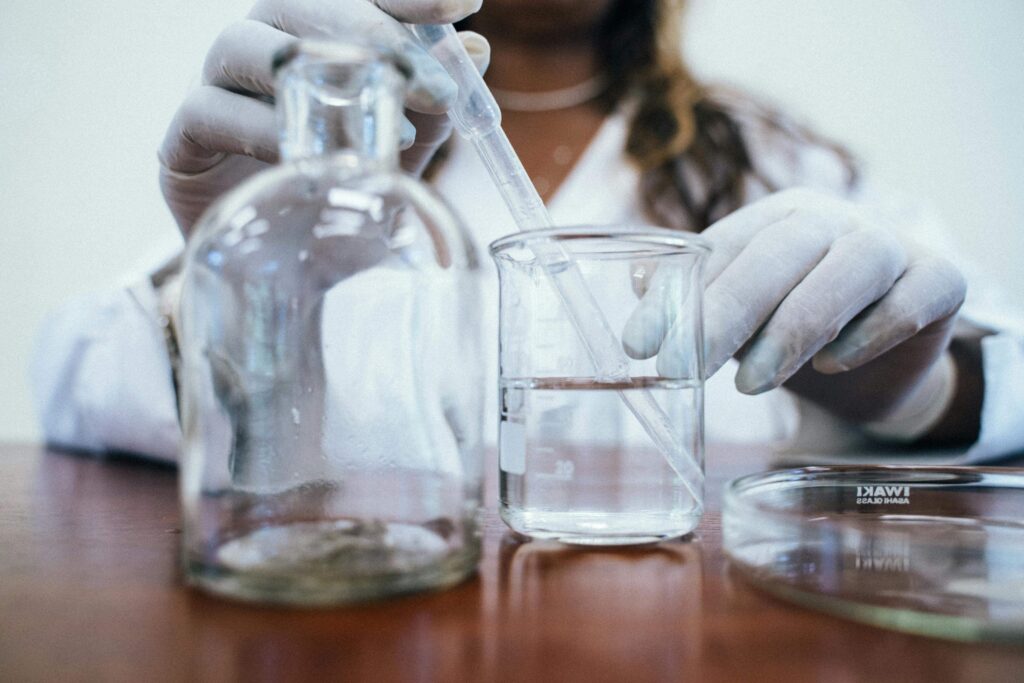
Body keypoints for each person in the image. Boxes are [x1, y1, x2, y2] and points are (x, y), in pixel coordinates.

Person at [33, 0, 1024, 463]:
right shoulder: (314, 135)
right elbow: (75, 379)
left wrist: (919, 386)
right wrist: (241, 287)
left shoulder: (768, 153)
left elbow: (1006, 373)